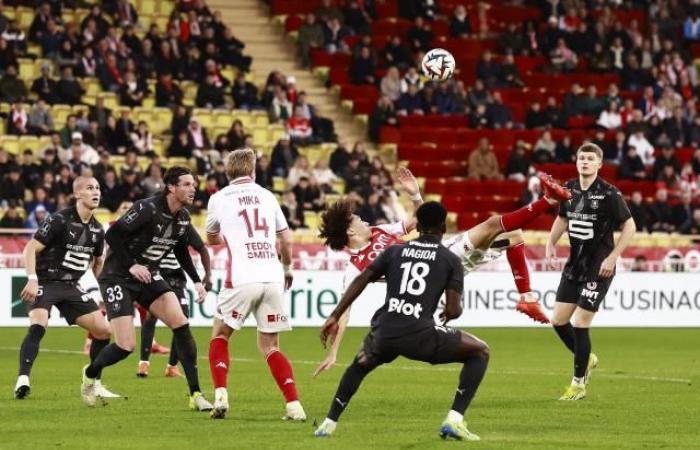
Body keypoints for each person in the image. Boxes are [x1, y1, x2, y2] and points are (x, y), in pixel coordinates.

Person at [314, 169, 571, 377]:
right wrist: (333, 352)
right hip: (431, 277)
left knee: (512, 235)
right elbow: (344, 312)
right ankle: (548, 200)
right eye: (358, 219)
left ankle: (526, 297)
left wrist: (415, 195)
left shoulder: (382, 232)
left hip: (437, 255)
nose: (364, 220)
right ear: (350, 231)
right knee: (495, 224)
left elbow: (420, 222)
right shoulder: (355, 265)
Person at [314, 202, 487, 440]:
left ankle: (328, 423)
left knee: (358, 366)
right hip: (420, 335)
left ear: (419, 226)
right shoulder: (449, 259)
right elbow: (454, 310)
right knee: (479, 352)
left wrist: (334, 315)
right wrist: (449, 314)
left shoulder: (394, 251)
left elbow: (362, 280)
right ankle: (454, 420)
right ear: (443, 227)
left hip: (384, 332)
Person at [81, 167, 213, 411]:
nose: (193, 188)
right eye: (186, 184)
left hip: (148, 275)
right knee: (125, 347)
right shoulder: (147, 208)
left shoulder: (182, 216)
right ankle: (90, 373)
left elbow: (180, 249)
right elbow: (113, 235)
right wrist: (131, 266)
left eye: (193, 184)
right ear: (171, 187)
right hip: (118, 276)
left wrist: (196, 279)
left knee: (181, 325)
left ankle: (196, 394)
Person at [205, 148, 306, 421]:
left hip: (241, 276)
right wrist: (287, 268)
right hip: (272, 275)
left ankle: (221, 395)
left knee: (220, 334)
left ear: (227, 172)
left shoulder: (218, 198)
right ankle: (294, 405)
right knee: (271, 346)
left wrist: (232, 236)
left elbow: (211, 238)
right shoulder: (267, 195)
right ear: (253, 171)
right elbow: (285, 240)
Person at [546, 143, 636, 401]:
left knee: (580, 322)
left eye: (590, 158)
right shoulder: (569, 189)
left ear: (599, 164)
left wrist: (613, 257)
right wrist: (551, 243)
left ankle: (578, 384)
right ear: (576, 162)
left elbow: (630, 226)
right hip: (575, 266)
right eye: (581, 158)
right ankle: (588, 357)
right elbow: (563, 218)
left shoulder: (609, 193)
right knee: (558, 321)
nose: (585, 162)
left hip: (599, 269)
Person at [15, 176, 118, 400]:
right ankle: (23, 379)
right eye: (90, 188)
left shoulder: (97, 230)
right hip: (45, 281)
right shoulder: (60, 219)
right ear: (77, 194)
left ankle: (94, 382)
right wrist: (32, 278)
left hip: (72, 286)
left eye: (98, 188)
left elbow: (98, 263)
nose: (96, 192)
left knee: (103, 331)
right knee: (39, 325)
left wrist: (106, 290)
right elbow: (30, 248)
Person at [137, 224, 212, 378]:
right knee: (151, 316)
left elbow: (201, 248)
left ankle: (172, 367)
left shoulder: (183, 224)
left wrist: (208, 274)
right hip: (155, 273)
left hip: (175, 278)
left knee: (182, 320)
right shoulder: (155, 221)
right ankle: (143, 363)